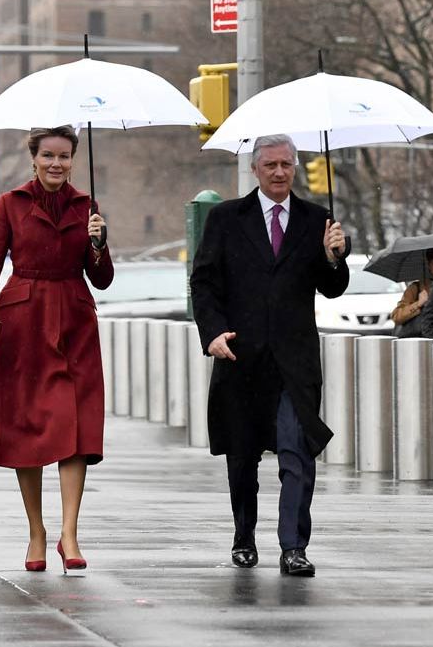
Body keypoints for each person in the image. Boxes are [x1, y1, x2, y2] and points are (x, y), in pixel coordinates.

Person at [0, 125, 114, 574]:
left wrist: (99, 244)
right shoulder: (11, 203)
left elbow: (102, 278)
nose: (56, 163)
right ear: (34, 158)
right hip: (23, 321)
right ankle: (37, 531)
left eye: (65, 156)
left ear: (72, 159)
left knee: (75, 427)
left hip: (75, 322)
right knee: (28, 429)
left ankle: (69, 533)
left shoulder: (87, 207)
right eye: (48, 155)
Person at [190, 134, 349, 577]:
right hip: (240, 357)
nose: (279, 172)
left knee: (296, 451)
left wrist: (335, 257)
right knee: (242, 457)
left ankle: (293, 546)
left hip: (293, 363)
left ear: (295, 168)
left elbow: (332, 286)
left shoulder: (317, 219)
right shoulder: (225, 219)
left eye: (286, 165)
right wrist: (213, 333)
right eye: (271, 165)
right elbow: (203, 283)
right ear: (255, 170)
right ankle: (244, 536)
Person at [391, 246, 433, 338]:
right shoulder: (416, 288)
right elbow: (397, 317)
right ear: (428, 264)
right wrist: (418, 304)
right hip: (422, 343)